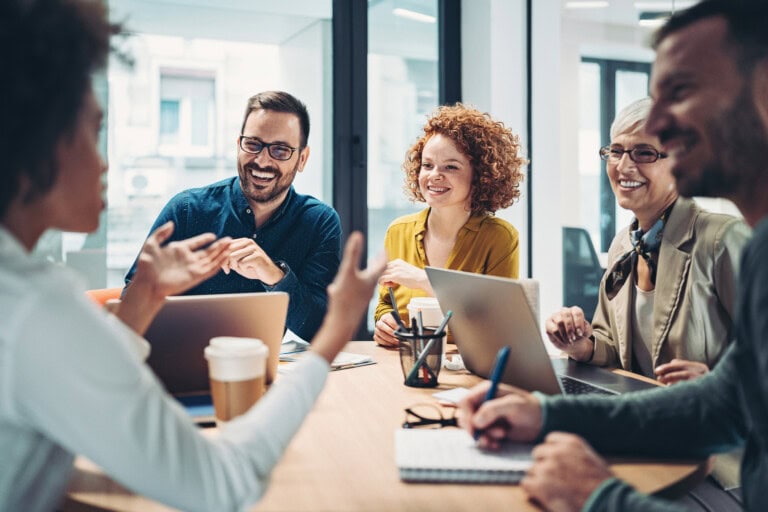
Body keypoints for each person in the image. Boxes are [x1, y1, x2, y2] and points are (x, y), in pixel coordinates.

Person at [0, 2, 384, 511]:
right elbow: (221, 486)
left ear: (301, 158)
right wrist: (335, 334)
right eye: (93, 133)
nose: (105, 161)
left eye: (280, 151)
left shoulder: (23, 295)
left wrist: (146, 300)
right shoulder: (39, 306)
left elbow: (55, 416)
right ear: (42, 143)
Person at [458, 1, 768, 511]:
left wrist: (599, 498)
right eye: (617, 149)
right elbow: (721, 406)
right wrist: (545, 416)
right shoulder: (762, 254)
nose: (661, 124)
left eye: (682, 91)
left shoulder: (733, 242)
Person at [546, 97, 749, 384]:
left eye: (644, 153)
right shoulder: (623, 245)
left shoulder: (723, 239)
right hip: (643, 417)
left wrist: (717, 382)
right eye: (616, 151)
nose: (623, 166)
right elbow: (616, 348)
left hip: (710, 421)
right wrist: (581, 345)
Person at [124, 90, 341, 341]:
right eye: (253, 144)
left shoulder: (319, 222)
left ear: (302, 159)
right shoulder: (186, 209)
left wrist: (274, 276)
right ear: (238, 145)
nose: (262, 160)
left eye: (280, 150)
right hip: (181, 367)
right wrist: (159, 287)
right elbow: (128, 304)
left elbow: (320, 329)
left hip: (265, 372)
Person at [373, 104, 527, 346]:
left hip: (469, 372)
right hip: (404, 365)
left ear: (480, 175)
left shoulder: (500, 238)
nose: (434, 175)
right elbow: (386, 303)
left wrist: (424, 280)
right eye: (427, 165)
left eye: (451, 167)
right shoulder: (398, 231)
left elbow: (498, 325)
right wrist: (384, 323)